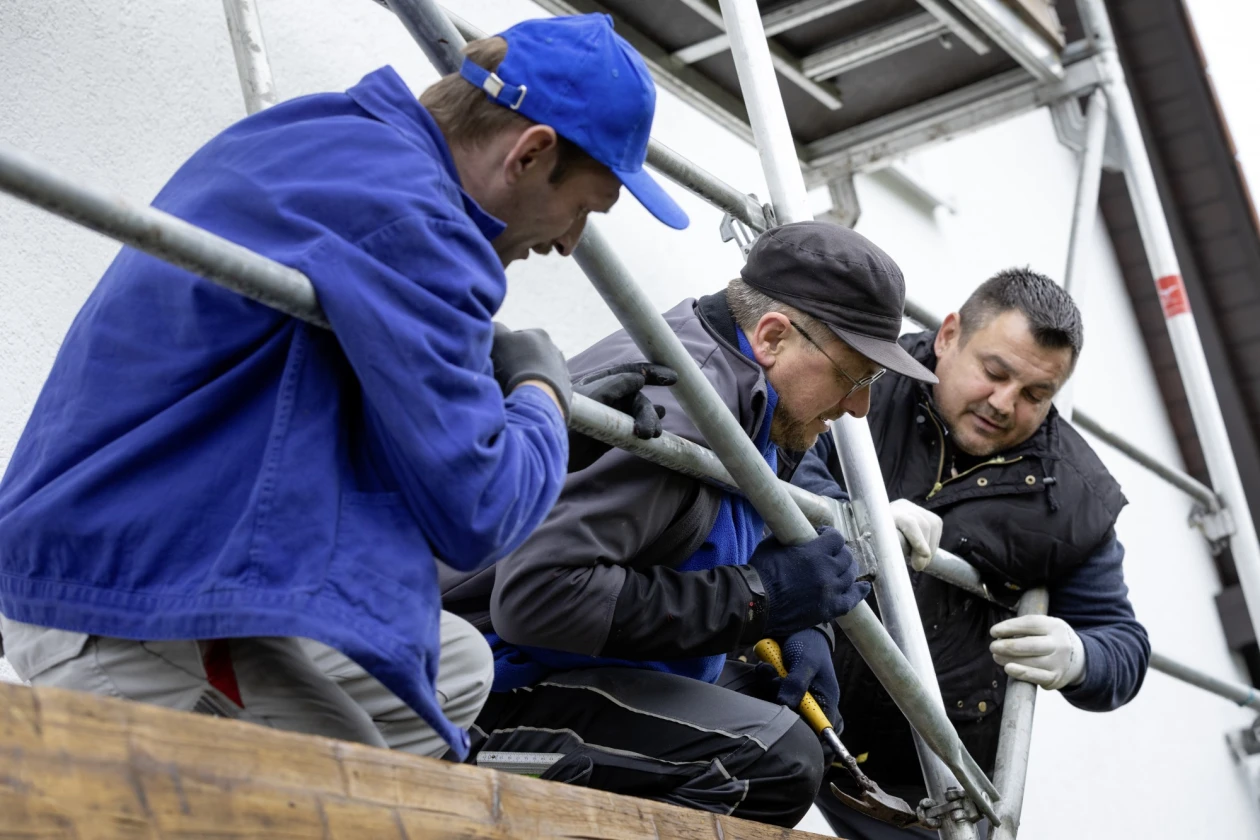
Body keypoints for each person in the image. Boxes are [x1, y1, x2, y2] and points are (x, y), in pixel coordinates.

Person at [0, 13, 685, 762]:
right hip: (129, 595)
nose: (567, 243)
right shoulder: (414, 224)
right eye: (584, 210)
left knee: (451, 670)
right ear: (531, 151)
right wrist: (542, 393)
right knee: (363, 797)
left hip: (124, 538)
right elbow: (481, 511)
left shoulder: (329, 135)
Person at [441, 220, 939, 826]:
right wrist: (758, 599)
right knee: (775, 760)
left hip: (564, 670)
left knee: (758, 705)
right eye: (855, 376)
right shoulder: (686, 412)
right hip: (479, 689)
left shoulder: (756, 398)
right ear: (774, 336)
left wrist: (798, 628)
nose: (860, 406)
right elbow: (539, 599)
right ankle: (489, 767)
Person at [793, 268, 1151, 838]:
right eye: (995, 372)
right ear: (948, 335)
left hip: (916, 780)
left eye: (1037, 394)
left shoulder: (1077, 498)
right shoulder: (864, 370)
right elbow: (768, 438)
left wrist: (1080, 655)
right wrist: (845, 512)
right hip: (778, 684)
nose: (1005, 403)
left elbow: (1124, 647)